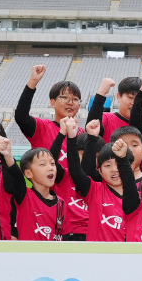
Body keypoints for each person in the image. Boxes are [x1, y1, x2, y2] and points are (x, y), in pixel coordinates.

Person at [15, 64, 86, 239]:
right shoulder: (42, 127)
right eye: (64, 97)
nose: (70, 102)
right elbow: (21, 117)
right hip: (45, 208)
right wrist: (32, 83)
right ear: (52, 102)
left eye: (75, 99)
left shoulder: (84, 134)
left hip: (79, 211)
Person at [64, 117, 137, 242]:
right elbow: (77, 172)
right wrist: (73, 138)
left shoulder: (140, 197)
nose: (114, 170)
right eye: (107, 165)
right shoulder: (95, 191)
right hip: (95, 253)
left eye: (119, 164)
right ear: (100, 171)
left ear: (131, 166)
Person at [10, 144, 66, 242]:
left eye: (52, 163)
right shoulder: (25, 197)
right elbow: (15, 175)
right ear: (28, 173)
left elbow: (67, 237)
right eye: (42, 164)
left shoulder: (62, 203)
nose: (50, 168)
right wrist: (7, 155)